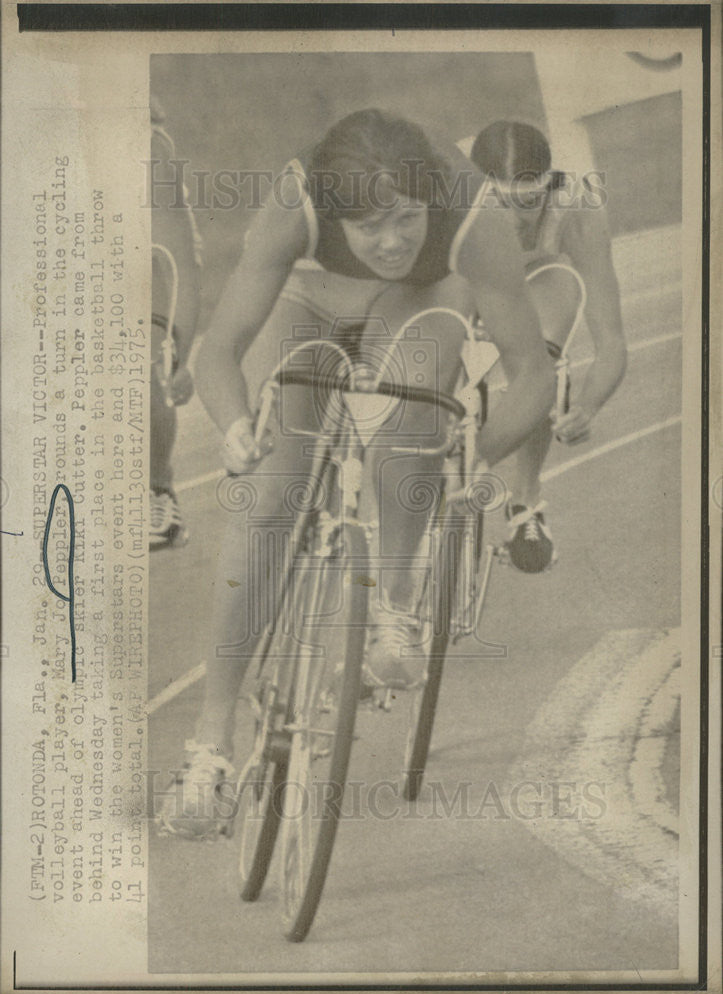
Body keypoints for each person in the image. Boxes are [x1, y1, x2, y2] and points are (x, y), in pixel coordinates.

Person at [157, 109, 555, 839]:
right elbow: (219, 352)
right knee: (271, 498)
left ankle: (396, 607)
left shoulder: (472, 216)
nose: (392, 240)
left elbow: (534, 374)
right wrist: (237, 426)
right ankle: (208, 750)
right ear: (333, 214)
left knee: (412, 413)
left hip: (424, 298)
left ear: (427, 200)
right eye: (369, 226)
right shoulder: (293, 203)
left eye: (406, 217)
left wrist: (477, 459)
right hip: (308, 298)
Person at [464, 121, 627, 572]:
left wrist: (588, 407)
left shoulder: (577, 207)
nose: (516, 220)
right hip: (464, 271)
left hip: (533, 280)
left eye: (530, 202)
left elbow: (611, 338)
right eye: (502, 204)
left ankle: (525, 501)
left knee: (544, 363)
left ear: (549, 185)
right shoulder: (448, 195)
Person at [150, 98, 203, 547]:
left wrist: (177, 355)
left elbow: (180, 260)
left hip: (135, 276)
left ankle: (154, 483)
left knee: (145, 364)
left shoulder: (148, 147)